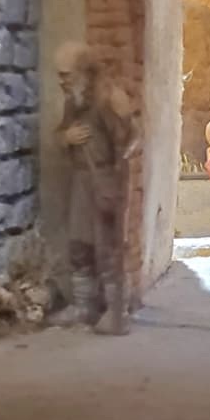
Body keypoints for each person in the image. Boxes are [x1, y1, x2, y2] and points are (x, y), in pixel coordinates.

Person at [54, 41, 138, 335]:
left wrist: (115, 179)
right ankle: (84, 306)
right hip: (81, 181)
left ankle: (116, 311)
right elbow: (60, 134)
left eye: (66, 74)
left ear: (82, 72)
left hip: (104, 180)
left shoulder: (106, 99)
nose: (61, 81)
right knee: (80, 244)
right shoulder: (74, 102)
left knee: (109, 248)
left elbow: (130, 140)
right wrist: (66, 138)